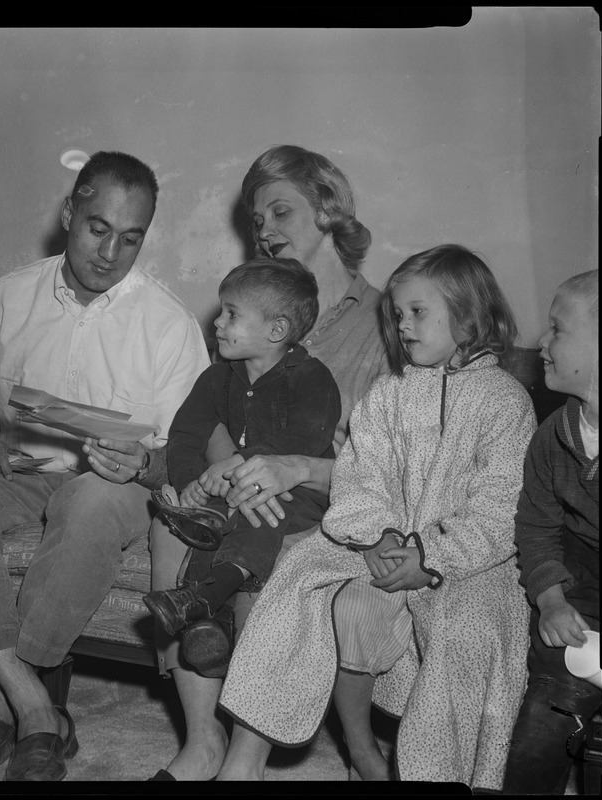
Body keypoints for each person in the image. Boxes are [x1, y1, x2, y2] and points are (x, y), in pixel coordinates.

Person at [0, 151, 209, 781]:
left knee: (89, 501)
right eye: (97, 228)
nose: (110, 252)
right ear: (69, 211)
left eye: (130, 239)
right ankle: (33, 700)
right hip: (22, 471)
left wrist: (144, 463)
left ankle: (4, 702)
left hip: (115, 487)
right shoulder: (10, 293)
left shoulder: (170, 325)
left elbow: (184, 458)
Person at [218, 244, 537, 789]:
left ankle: (442, 774)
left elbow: (500, 505)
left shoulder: (504, 402)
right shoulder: (388, 395)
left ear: (468, 315)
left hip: (469, 561)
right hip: (379, 542)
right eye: (397, 313)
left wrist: (430, 558)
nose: (403, 325)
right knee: (297, 580)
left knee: (468, 629)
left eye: (418, 312)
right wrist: (379, 535)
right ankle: (243, 762)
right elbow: (361, 474)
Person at [148, 145, 388, 781]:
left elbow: (392, 463)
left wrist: (287, 473)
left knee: (275, 557)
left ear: (330, 212)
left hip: (333, 495)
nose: (266, 230)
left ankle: (246, 758)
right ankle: (203, 741)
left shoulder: (387, 322)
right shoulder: (255, 307)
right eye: (258, 220)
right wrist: (228, 471)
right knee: (173, 523)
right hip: (250, 484)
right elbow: (213, 416)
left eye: (281, 211)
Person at [143, 258, 340, 679]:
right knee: (201, 521)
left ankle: (202, 601)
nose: (218, 322)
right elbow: (186, 433)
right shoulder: (216, 379)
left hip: (296, 492)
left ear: (276, 331)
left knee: (261, 512)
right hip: (233, 488)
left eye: (232, 314)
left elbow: (303, 441)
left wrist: (240, 463)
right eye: (222, 310)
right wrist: (189, 481)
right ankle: (209, 621)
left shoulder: (312, 378)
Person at [502, 271, 600, 794]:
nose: (541, 342)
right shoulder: (553, 435)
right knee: (537, 733)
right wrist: (553, 600)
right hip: (582, 582)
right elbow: (537, 526)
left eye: (557, 330)